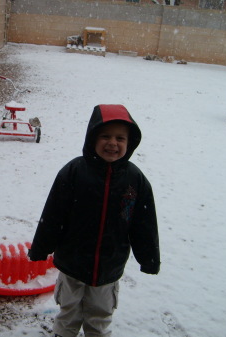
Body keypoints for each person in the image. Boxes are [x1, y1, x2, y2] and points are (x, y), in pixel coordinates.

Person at [28, 104, 161, 337]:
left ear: (130, 143)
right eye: (105, 136)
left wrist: (149, 257)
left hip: (109, 266)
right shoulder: (74, 172)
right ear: (92, 138)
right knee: (69, 310)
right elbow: (53, 213)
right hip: (72, 262)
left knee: (100, 313)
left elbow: (144, 223)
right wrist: (41, 247)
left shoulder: (135, 180)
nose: (113, 143)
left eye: (120, 138)